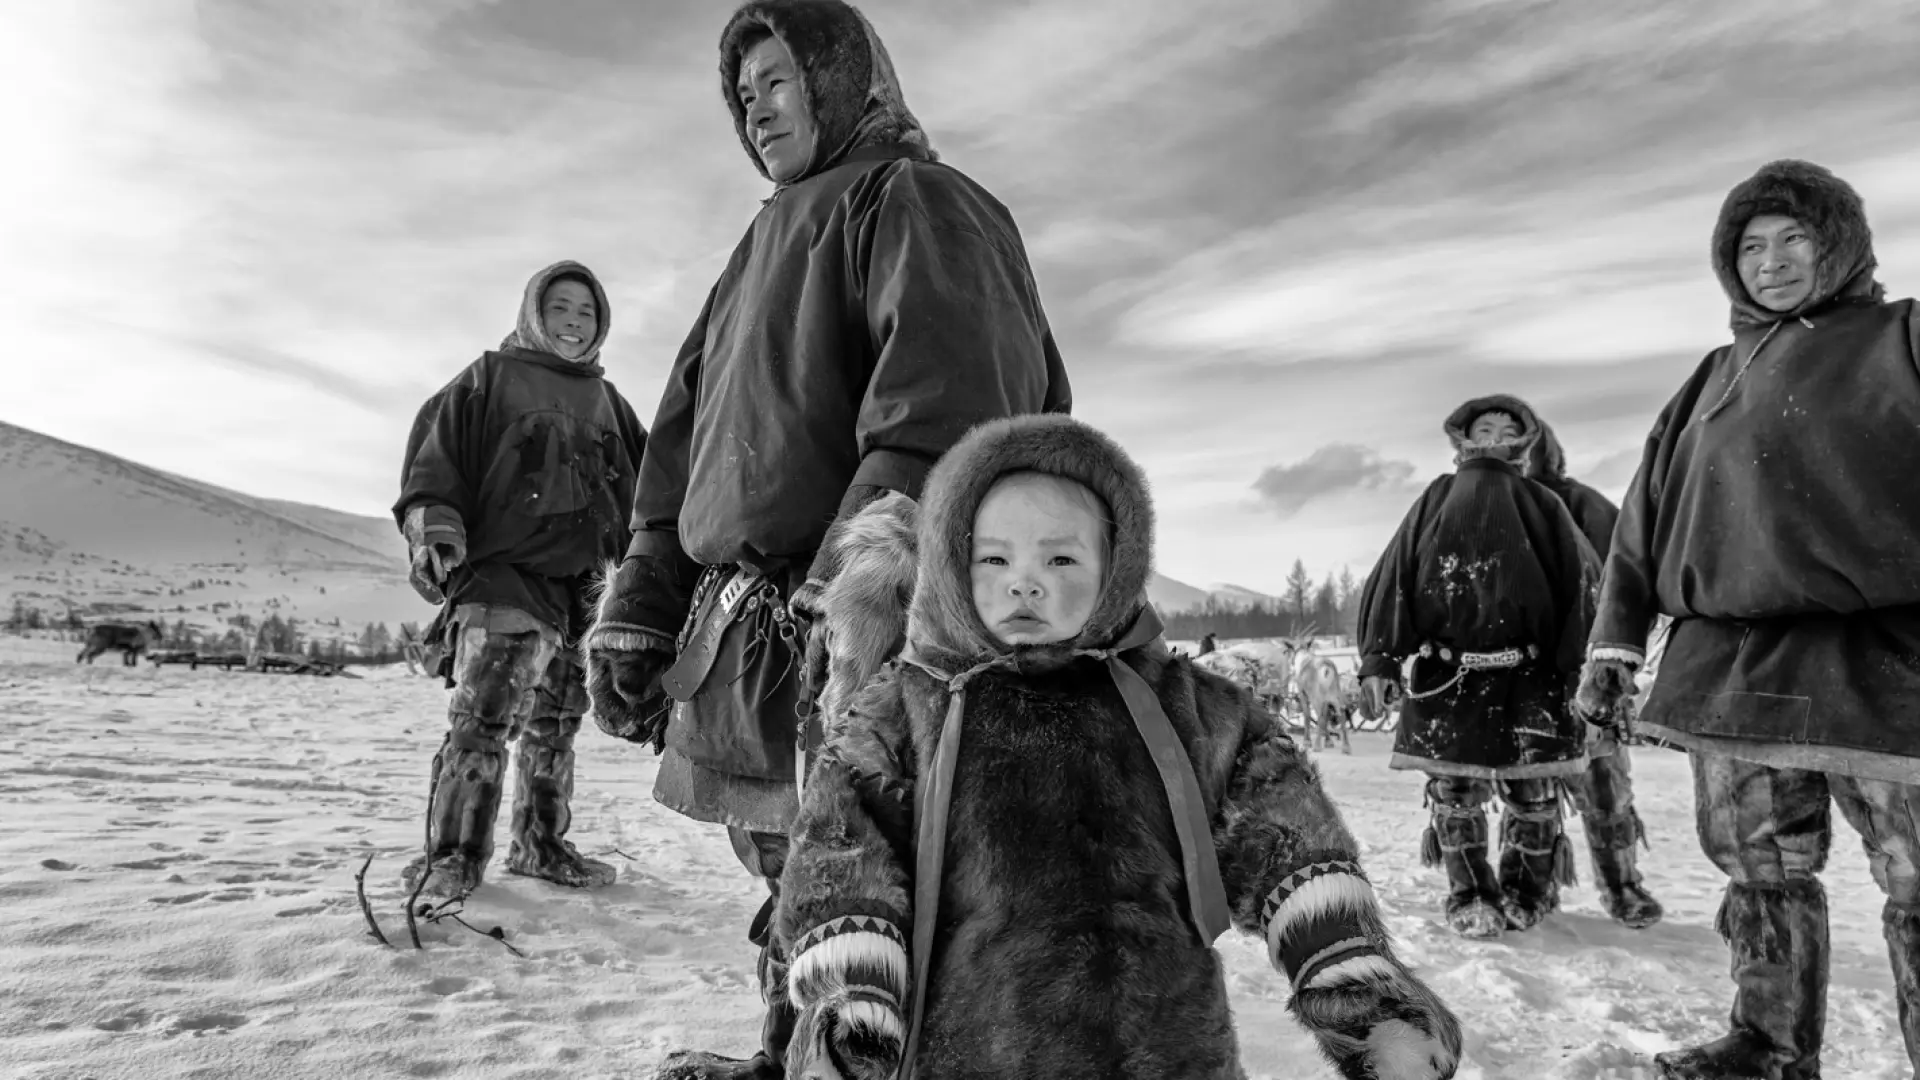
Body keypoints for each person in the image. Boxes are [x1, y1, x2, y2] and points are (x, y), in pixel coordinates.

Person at [583, 3, 1069, 1077]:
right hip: (748, 641)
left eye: (779, 81)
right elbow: (683, 447)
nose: (756, 108)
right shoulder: (758, 242)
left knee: (896, 901)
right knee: (807, 881)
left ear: (845, 79)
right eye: (741, 93)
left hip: (869, 637)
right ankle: (790, 1057)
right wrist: (644, 599)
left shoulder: (921, 202)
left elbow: (947, 413)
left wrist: (860, 604)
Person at [773, 414, 1460, 1080]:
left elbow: (1288, 836)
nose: (1025, 579)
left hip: (1172, 1048)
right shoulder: (905, 710)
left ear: (1117, 565)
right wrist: (854, 1004)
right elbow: (841, 849)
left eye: (1061, 556)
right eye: (995, 558)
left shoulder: (1186, 707)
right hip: (976, 1047)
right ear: (953, 562)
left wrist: (1348, 977)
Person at [1575, 158, 1920, 1079]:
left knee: (1918, 877)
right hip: (1734, 666)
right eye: (1750, 246)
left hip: (1886, 658)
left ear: (1839, 244)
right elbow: (1643, 524)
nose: (1771, 262)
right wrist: (1613, 641)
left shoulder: (1903, 335)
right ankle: (1768, 1045)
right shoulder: (1711, 377)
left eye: (1794, 239)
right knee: (1759, 866)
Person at [394, 261, 647, 899]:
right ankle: (450, 857)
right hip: (502, 577)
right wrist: (436, 523)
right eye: (560, 308)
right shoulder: (488, 378)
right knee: (482, 720)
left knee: (556, 725)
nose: (572, 323)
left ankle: (541, 846)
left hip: (582, 590)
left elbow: (654, 486)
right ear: (534, 312)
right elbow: (437, 458)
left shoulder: (610, 403)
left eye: (585, 313)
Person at [1356, 396, 1596, 940]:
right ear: (1460, 439)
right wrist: (1381, 657)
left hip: (1530, 676)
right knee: (1455, 796)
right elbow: (1393, 577)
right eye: (1481, 428)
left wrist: (1582, 666)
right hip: (1450, 674)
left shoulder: (1542, 503)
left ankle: (1526, 890)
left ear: (1523, 440)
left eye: (1504, 429)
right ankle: (1470, 893)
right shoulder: (1435, 499)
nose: (1491, 436)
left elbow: (1580, 585)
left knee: (1533, 795)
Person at [1524, 418, 1665, 930]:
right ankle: (1531, 891)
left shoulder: (1582, 503)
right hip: (1525, 680)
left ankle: (1622, 888)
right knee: (1530, 796)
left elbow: (1625, 578)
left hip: (1586, 676)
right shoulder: (1494, 510)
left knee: (1605, 789)